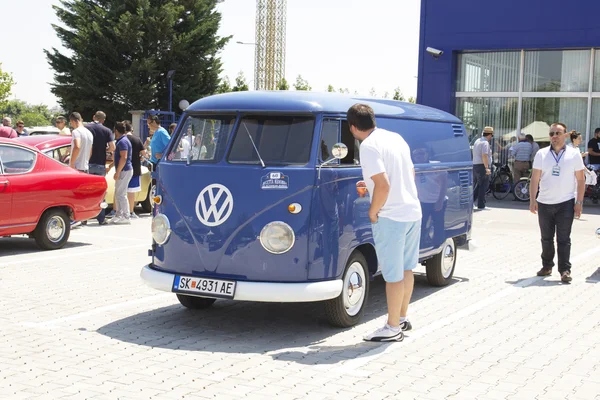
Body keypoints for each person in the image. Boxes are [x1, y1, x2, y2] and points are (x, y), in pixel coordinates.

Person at [347, 104, 422, 342]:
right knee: (407, 268)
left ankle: (391, 328)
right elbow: (409, 174)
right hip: (412, 211)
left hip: (391, 216)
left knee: (392, 276)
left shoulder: (368, 146)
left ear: (352, 127)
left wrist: (373, 210)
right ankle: (400, 318)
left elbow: (384, 185)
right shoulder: (395, 138)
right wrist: (369, 186)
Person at [529, 122, 586, 283]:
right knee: (546, 238)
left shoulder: (574, 154)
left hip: (565, 203)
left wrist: (579, 202)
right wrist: (533, 200)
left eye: (558, 133)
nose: (554, 136)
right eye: (552, 133)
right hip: (545, 203)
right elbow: (535, 179)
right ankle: (547, 266)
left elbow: (581, 180)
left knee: (563, 239)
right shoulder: (541, 154)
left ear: (565, 135)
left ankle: (565, 270)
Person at [86, 111, 116, 225]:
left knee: (86, 192)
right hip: (100, 164)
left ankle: (84, 218)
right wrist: (104, 150)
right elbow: (112, 147)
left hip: (87, 163)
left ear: (94, 117)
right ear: (103, 120)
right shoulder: (107, 131)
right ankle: (101, 218)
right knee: (101, 192)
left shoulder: (86, 128)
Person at [110, 122, 134, 224]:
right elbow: (119, 158)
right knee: (119, 193)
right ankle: (119, 214)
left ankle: (126, 216)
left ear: (116, 131)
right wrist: (111, 167)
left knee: (121, 194)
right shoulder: (122, 141)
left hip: (124, 170)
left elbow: (123, 157)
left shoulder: (122, 141)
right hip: (124, 170)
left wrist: (118, 172)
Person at [124, 120, 146, 218]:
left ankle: (118, 211)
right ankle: (131, 211)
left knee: (120, 191)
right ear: (131, 129)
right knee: (131, 192)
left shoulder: (122, 139)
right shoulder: (137, 140)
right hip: (135, 167)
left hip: (123, 167)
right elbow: (144, 153)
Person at [472, 126, 494, 210]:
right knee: (483, 185)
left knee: (478, 185)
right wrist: (487, 168)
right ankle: (481, 204)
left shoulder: (477, 141)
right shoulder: (485, 143)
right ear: (490, 135)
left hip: (476, 165)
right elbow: (484, 155)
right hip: (482, 165)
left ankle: (472, 202)